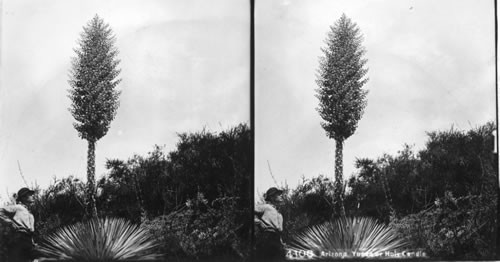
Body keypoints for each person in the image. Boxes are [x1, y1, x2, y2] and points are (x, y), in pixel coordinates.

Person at [0, 187, 38, 262]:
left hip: (28, 241)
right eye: (30, 194)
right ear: (23, 197)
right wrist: (10, 223)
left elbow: (31, 231)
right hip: (19, 239)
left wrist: (32, 243)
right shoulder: (18, 208)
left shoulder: (30, 213)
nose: (33, 196)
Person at [254, 187, 285, 261]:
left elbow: (279, 230)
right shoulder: (266, 207)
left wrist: (281, 242)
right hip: (267, 237)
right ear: (272, 197)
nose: (281, 196)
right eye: (278, 194)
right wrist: (258, 222)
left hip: (277, 240)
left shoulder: (280, 214)